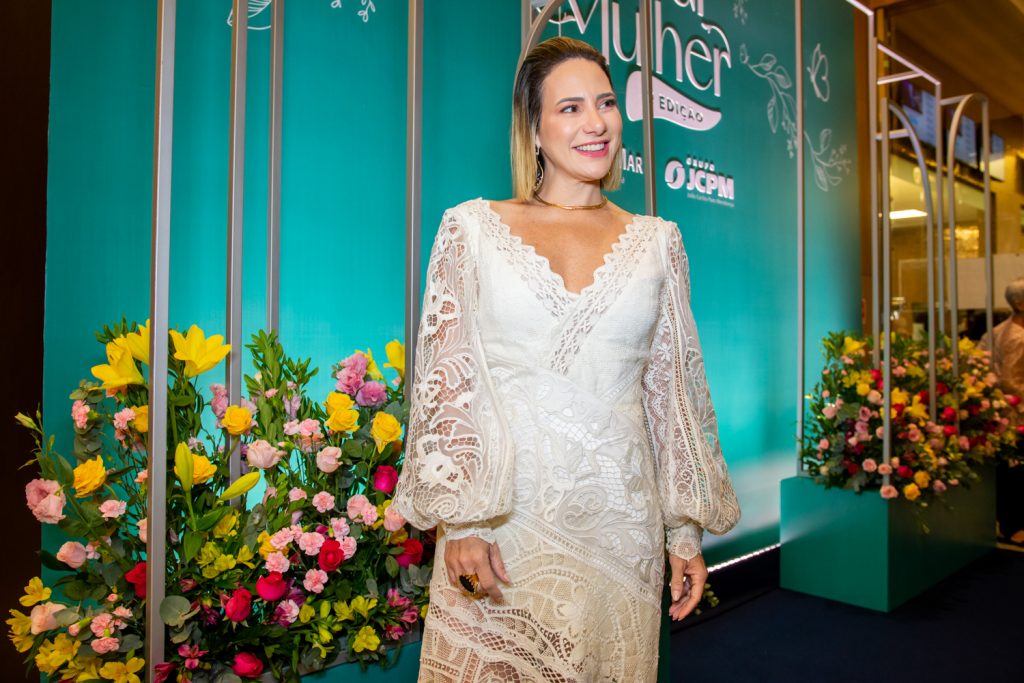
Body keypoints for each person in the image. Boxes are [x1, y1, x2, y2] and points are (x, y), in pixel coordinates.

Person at [393, 37, 740, 682]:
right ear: (533, 128)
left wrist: (683, 533)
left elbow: (673, 396)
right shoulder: (471, 229)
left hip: (620, 532)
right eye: (570, 107)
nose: (596, 123)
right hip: (501, 526)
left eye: (606, 103)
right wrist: (463, 521)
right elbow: (448, 381)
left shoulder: (659, 242)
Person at [979, 278, 1024, 547]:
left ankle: (1008, 523)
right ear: (1020, 303)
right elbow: (1011, 381)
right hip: (1016, 413)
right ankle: (1015, 527)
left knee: (1009, 470)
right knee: (1015, 472)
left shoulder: (997, 331)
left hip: (1001, 412)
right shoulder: (1017, 338)